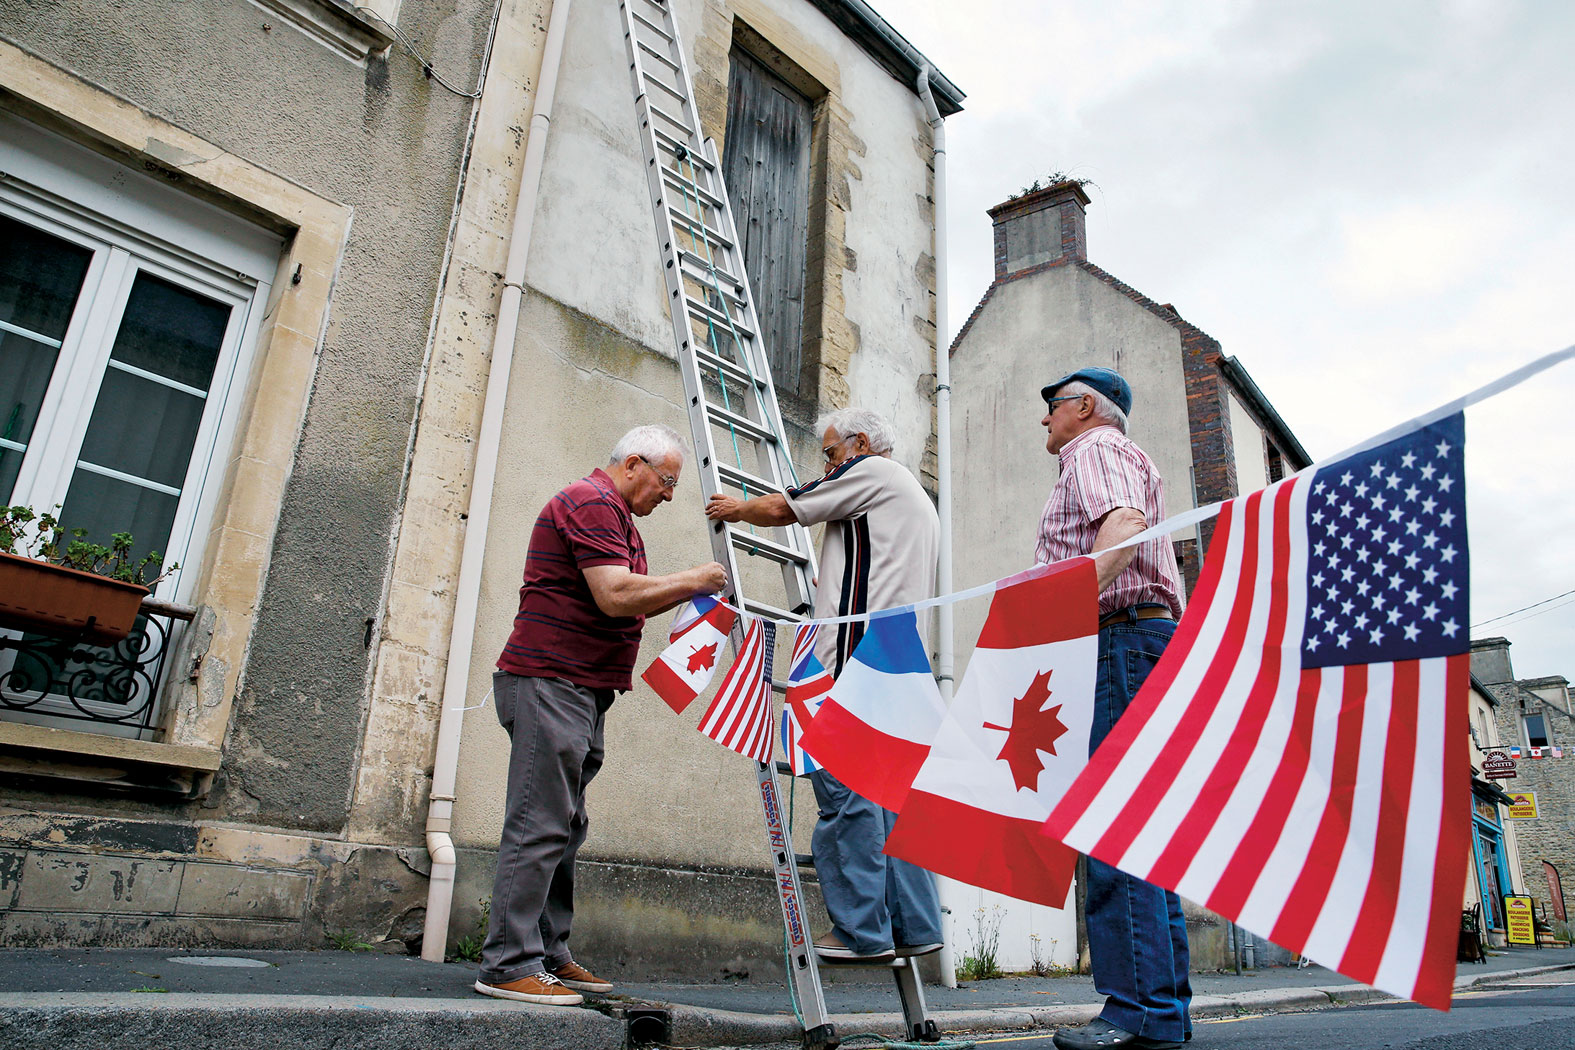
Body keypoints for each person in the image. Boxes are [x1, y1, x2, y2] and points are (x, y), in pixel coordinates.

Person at [475, 424, 727, 1006]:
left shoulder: (617, 519)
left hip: (581, 688)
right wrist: (695, 579)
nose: (669, 495)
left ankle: (546, 953)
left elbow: (626, 597)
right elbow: (615, 595)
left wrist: (686, 592)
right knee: (541, 821)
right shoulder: (590, 502)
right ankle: (507, 963)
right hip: (551, 681)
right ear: (633, 464)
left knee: (565, 824)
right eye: (667, 482)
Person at [705, 407, 942, 965]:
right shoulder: (911, 496)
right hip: (899, 663)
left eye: (832, 453)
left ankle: (859, 931)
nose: (829, 465)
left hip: (858, 662)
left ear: (860, 444)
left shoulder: (870, 471)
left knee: (846, 794)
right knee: (890, 799)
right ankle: (913, 925)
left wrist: (735, 508)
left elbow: (785, 507)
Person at [1035, 368, 1191, 1050]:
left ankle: (1133, 1012)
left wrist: (1062, 607)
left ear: (1084, 406)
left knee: (1113, 830)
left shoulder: (1094, 448)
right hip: (1137, 642)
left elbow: (1123, 523)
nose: (1044, 418)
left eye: (1052, 405)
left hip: (1118, 642)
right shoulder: (1113, 453)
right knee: (1141, 833)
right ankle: (1160, 1013)